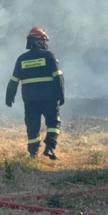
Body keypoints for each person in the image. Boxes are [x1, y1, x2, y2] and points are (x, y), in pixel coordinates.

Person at [5, 27, 65, 159]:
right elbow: (58, 77)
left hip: (30, 99)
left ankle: (33, 154)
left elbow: (14, 80)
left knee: (32, 125)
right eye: (43, 40)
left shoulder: (22, 58)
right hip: (49, 98)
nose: (45, 43)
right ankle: (49, 148)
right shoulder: (48, 56)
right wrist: (61, 94)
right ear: (39, 41)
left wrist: (9, 97)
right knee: (54, 123)